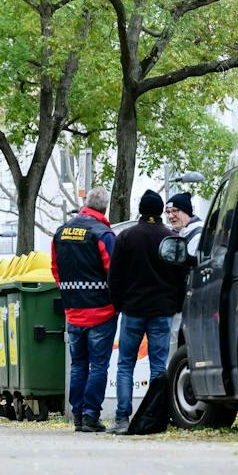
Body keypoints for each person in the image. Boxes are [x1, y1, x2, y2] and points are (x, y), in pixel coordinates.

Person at [108, 190, 188, 434]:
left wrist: (118, 304)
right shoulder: (170, 238)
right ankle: (156, 417)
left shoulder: (126, 237)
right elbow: (180, 275)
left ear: (141, 210)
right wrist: (176, 305)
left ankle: (122, 418)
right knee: (158, 365)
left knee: (125, 364)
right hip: (162, 310)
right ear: (159, 210)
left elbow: (115, 276)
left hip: (132, 309)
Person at [52, 185, 120, 433]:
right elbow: (114, 273)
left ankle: (78, 414)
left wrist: (70, 295)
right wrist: (117, 303)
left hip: (73, 312)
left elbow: (55, 270)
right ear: (105, 208)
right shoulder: (103, 234)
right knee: (99, 365)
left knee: (78, 364)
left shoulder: (61, 233)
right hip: (101, 311)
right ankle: (91, 415)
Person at [165, 193, 204, 260]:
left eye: (174, 211)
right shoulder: (182, 231)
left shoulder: (198, 236)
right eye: (168, 212)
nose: (170, 216)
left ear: (186, 211)